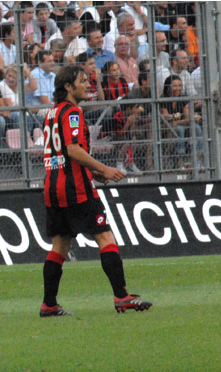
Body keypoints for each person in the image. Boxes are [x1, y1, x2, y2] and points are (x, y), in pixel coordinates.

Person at [40, 64, 152, 317]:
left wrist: (95, 173)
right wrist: (105, 169)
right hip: (76, 188)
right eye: (82, 80)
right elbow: (73, 150)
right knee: (104, 237)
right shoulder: (72, 113)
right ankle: (121, 296)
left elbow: (61, 154)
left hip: (53, 187)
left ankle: (49, 303)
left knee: (60, 245)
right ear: (68, 87)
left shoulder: (51, 112)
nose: (88, 84)